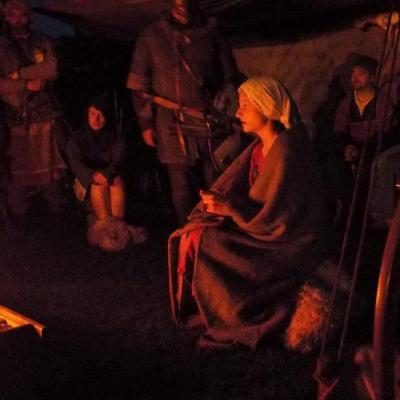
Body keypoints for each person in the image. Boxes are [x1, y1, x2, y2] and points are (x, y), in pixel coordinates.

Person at [168, 76, 328, 349]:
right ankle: (210, 310)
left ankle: (235, 316)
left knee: (210, 241)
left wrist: (228, 207)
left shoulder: (287, 150)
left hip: (288, 240)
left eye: (245, 105)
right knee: (194, 234)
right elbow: (249, 194)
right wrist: (220, 202)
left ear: (267, 106)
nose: (238, 112)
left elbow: (276, 217)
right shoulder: (260, 146)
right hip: (260, 225)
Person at [126, 0, 241, 226]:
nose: (183, 4)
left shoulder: (212, 32)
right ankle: (187, 234)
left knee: (216, 181)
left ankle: (215, 235)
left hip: (208, 119)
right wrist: (146, 124)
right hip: (171, 123)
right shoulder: (151, 37)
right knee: (181, 186)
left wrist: (226, 95)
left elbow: (231, 75)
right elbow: (138, 86)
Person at [0, 0, 67, 225]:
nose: (18, 18)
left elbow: (51, 68)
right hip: (16, 115)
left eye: (22, 14)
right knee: (18, 170)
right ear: (7, 17)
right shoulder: (1, 45)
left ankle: (58, 213)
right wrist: (25, 85)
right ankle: (21, 215)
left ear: (30, 16)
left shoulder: (42, 40)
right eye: (13, 14)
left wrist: (17, 75)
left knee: (51, 169)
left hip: (44, 111)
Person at [67, 93, 148, 251]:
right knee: (98, 185)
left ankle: (118, 231)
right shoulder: (78, 138)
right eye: (93, 114)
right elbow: (75, 163)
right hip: (87, 181)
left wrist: (107, 174)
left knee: (116, 183)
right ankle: (103, 233)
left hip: (112, 178)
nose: (96, 119)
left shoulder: (116, 136)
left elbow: (120, 159)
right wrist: (92, 176)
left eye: (101, 115)